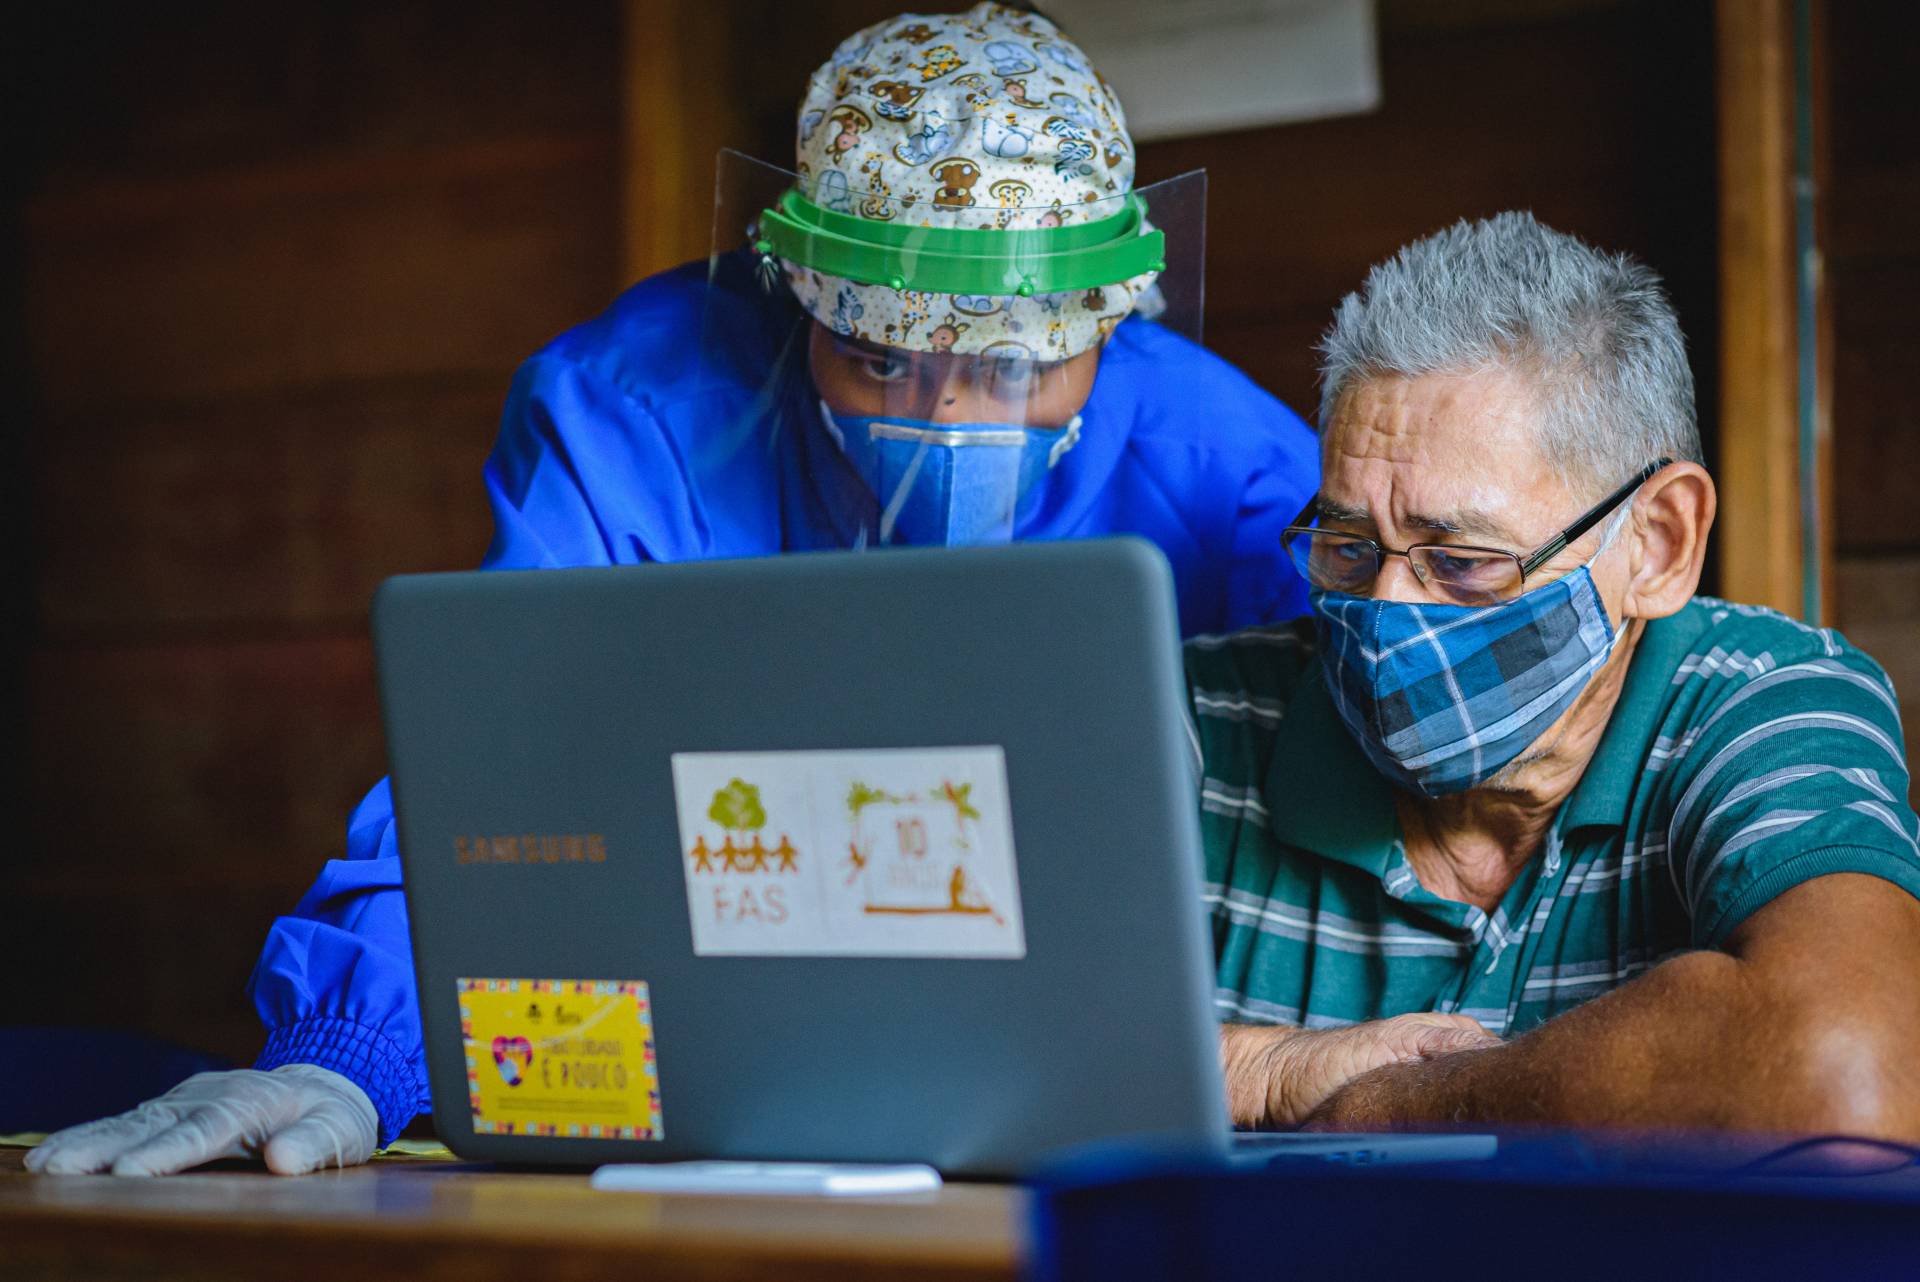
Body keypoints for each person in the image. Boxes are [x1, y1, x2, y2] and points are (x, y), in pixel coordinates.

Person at [28, 3, 1317, 1177]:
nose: (949, 416)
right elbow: (503, 762)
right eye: (877, 359)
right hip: (712, 1090)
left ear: (1109, 319)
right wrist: (353, 1045)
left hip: (1096, 1104)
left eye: (1015, 370)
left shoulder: (1237, 473)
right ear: (800, 295)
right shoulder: (636, 413)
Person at [1193, 212, 1920, 1135]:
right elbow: (963, 1044)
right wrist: (1268, 1075)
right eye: (1346, 543)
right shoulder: (1187, 716)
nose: (1385, 610)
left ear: (1656, 546)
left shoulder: (1767, 699)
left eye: (1460, 560)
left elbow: (1850, 1069)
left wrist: (1385, 1103)